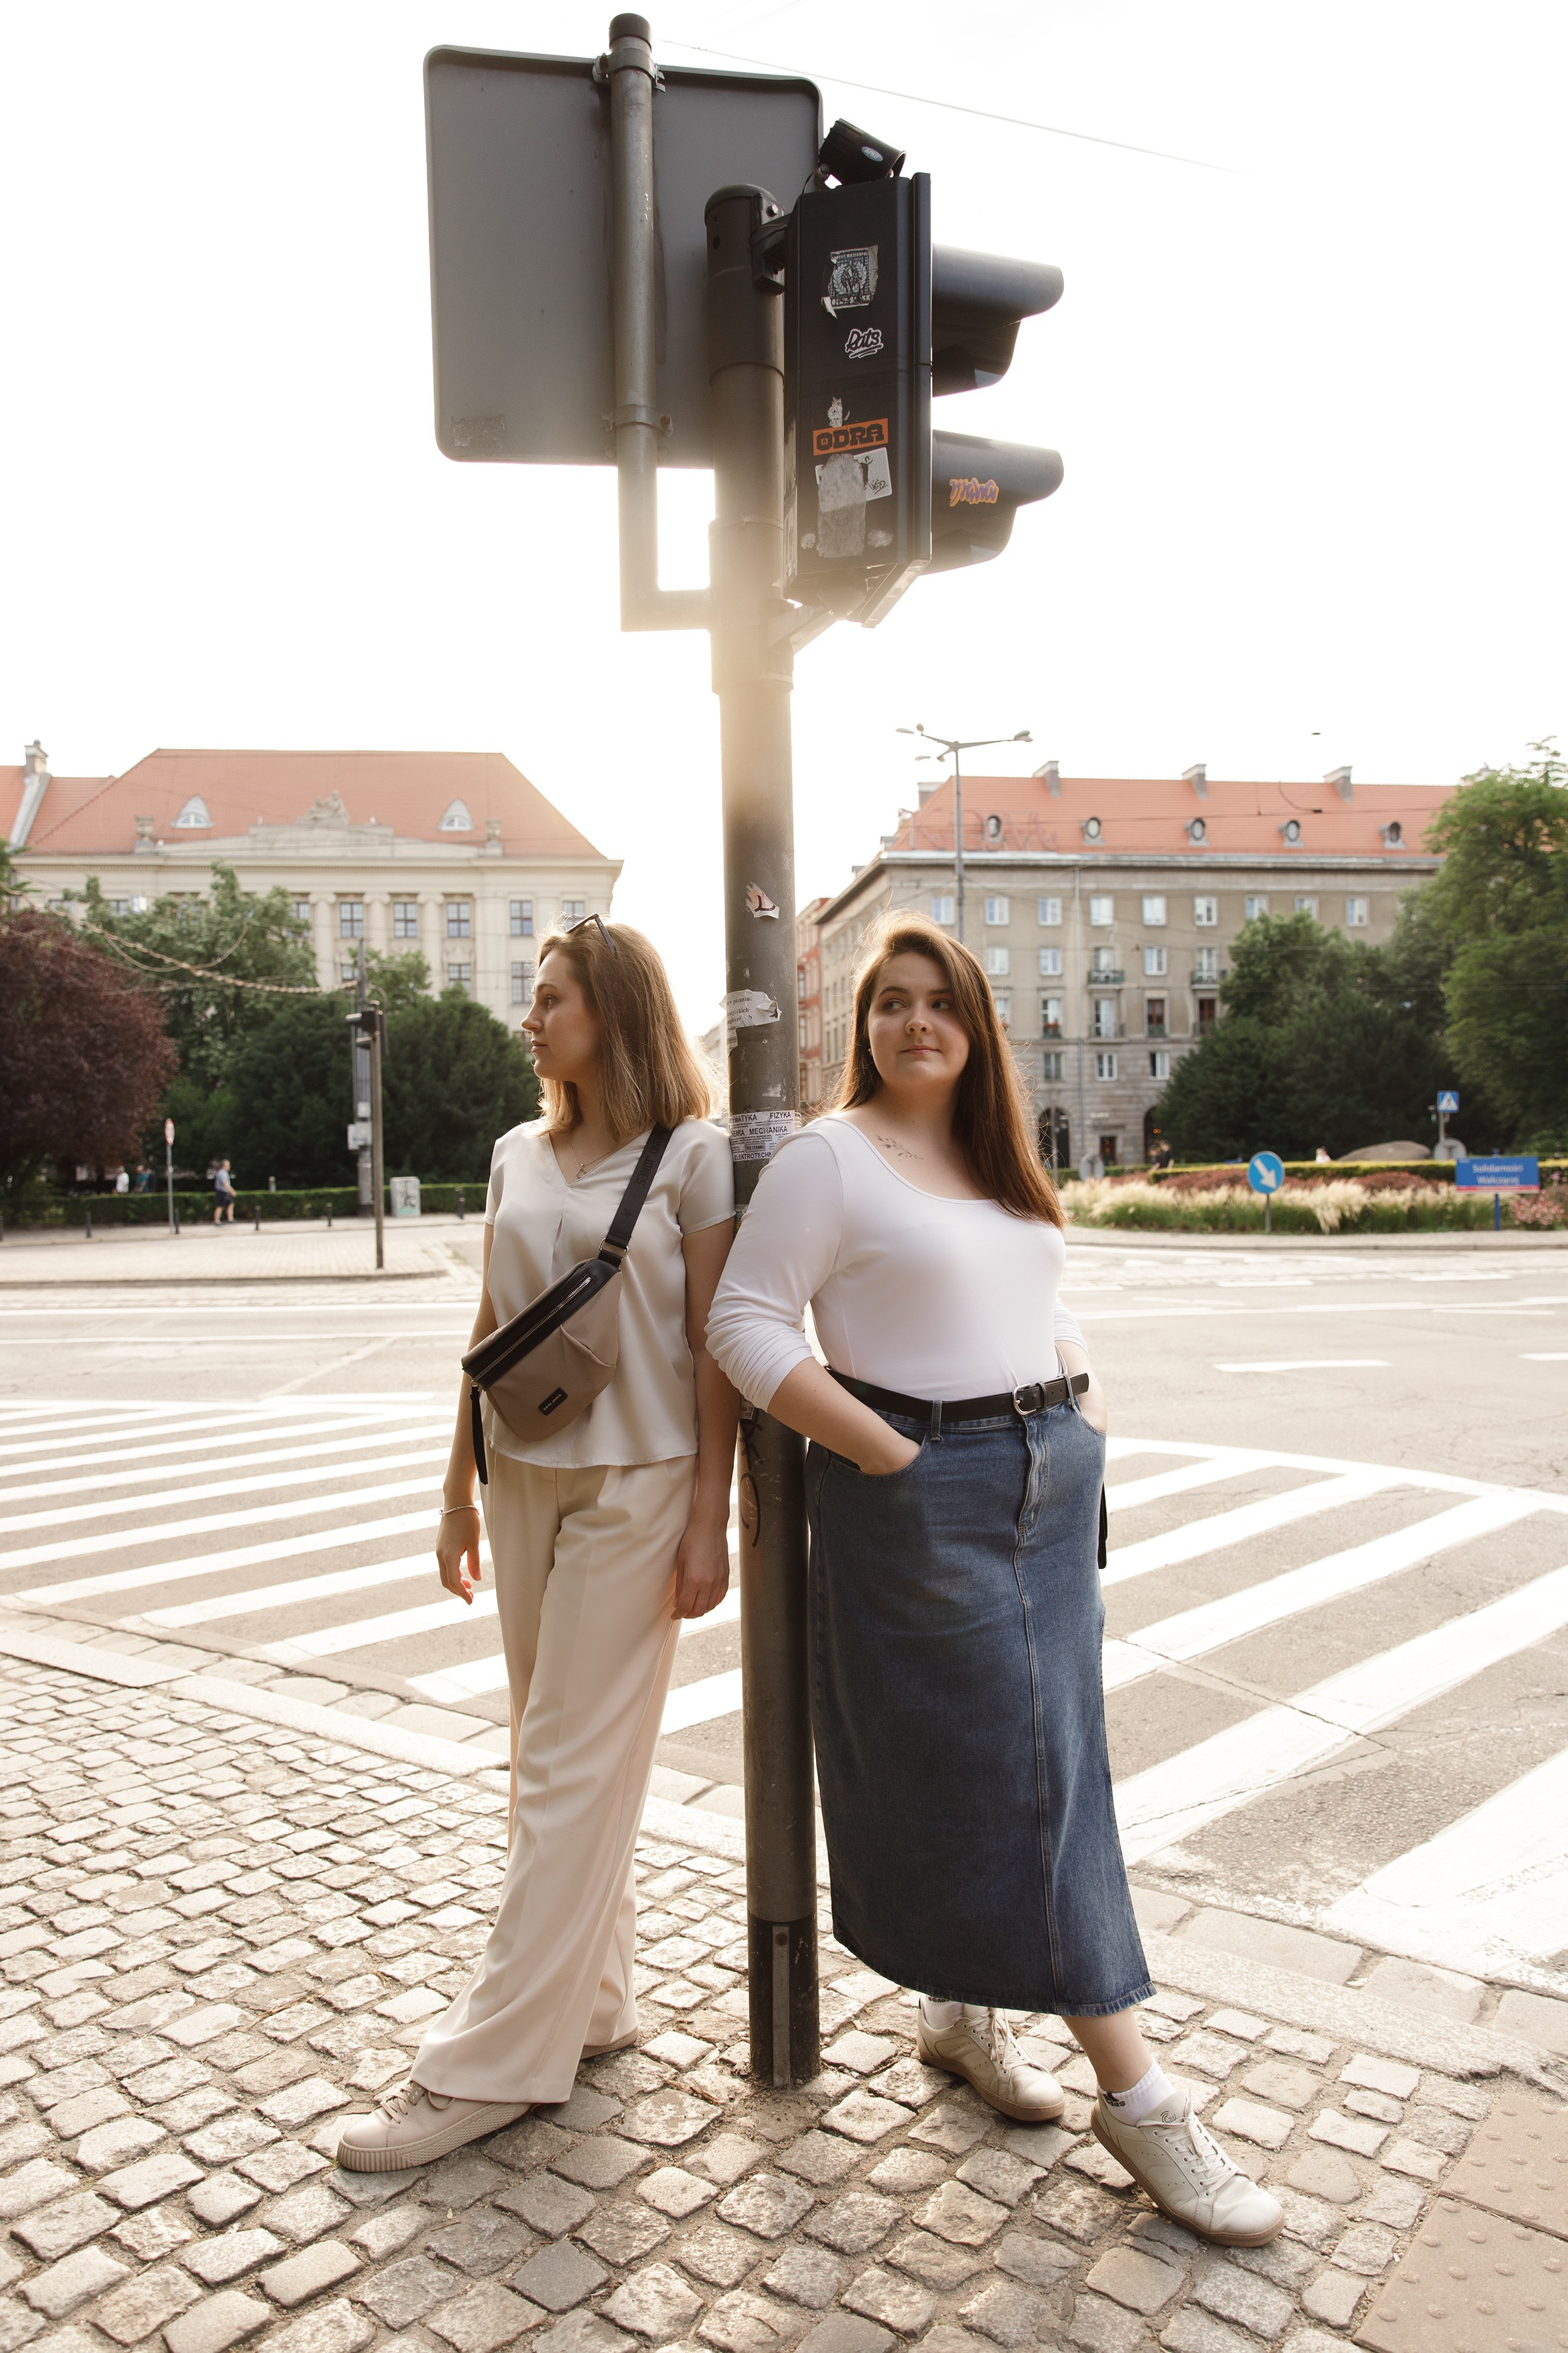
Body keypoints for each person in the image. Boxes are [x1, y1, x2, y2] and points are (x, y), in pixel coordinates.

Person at [706, 912, 1282, 2247]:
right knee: (1032, 1788)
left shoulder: (987, 1158)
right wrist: (885, 1452)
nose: (914, 1023)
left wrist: (1082, 1413)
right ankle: (1138, 2097)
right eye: (889, 1003)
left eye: (938, 1003)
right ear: (861, 1029)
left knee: (1040, 1763)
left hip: (1046, 1471)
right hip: (928, 1484)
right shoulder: (826, 1157)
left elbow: (1040, 1295)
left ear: (975, 1026)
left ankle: (959, 2014)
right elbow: (740, 1319)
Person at [337, 916, 737, 2172]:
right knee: (542, 1757)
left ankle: (489, 2066)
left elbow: (718, 1345)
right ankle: (595, 2002)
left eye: (552, 999)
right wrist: (451, 1487)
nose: (530, 1018)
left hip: (641, 1481)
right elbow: (494, 1324)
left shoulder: (694, 1158)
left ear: (610, 1014)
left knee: (565, 1764)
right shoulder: (518, 1150)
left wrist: (710, 1520)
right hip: (519, 1476)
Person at [212, 1159, 235, 1224]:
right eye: (228, 1165)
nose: (229, 1166)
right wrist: (232, 1191)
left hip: (225, 1192)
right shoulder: (222, 1173)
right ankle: (216, 1221)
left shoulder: (224, 1173)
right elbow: (225, 1184)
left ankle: (230, 1219)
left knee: (231, 1204)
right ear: (224, 1165)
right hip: (222, 1191)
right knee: (221, 1206)